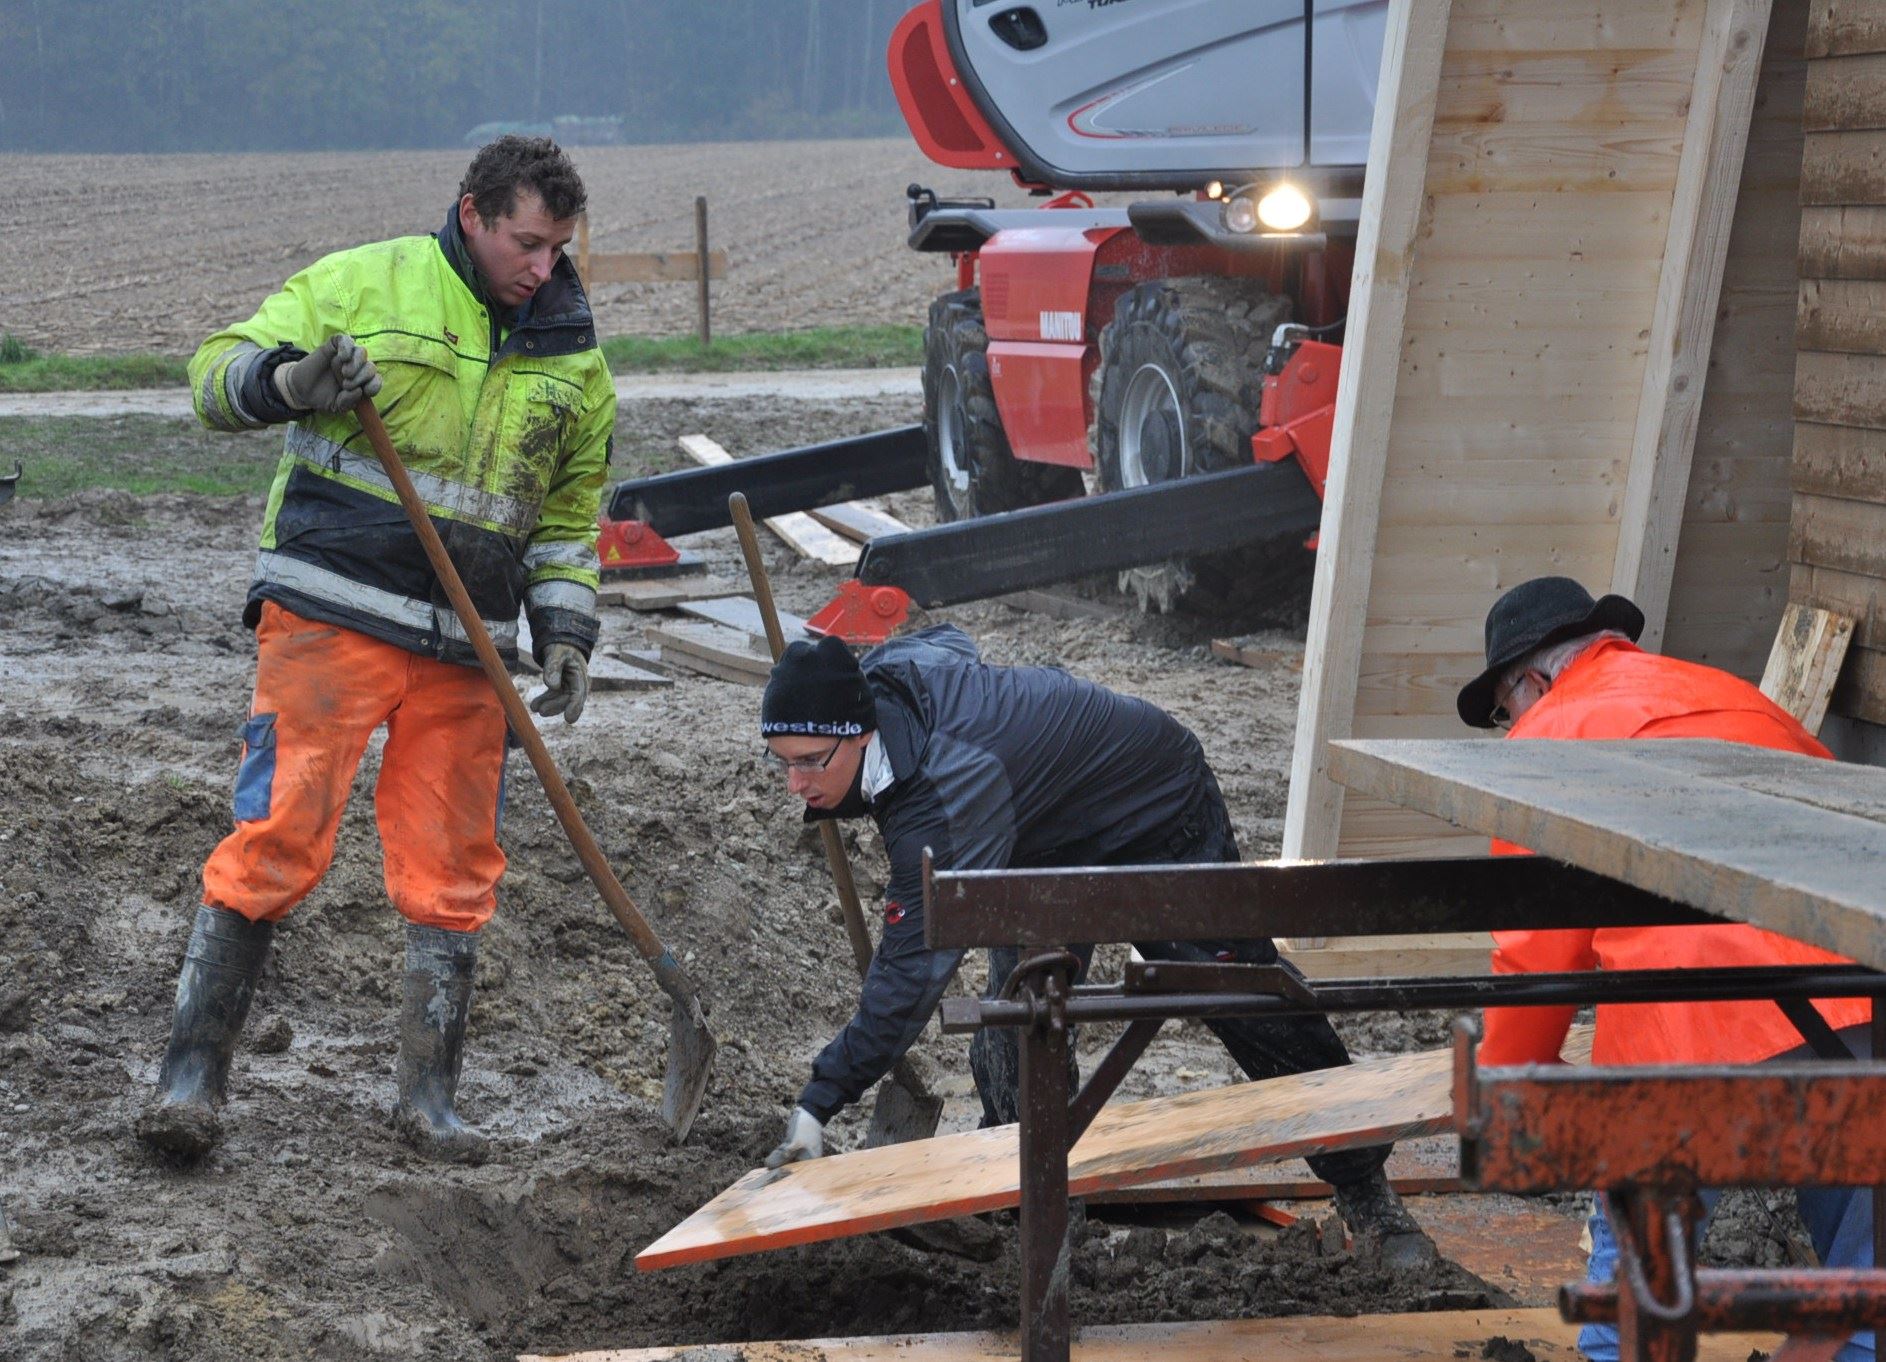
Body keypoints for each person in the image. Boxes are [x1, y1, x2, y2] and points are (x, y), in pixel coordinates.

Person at [136, 135, 616, 1164]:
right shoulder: (365, 284)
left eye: (558, 248)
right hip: (332, 616)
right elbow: (212, 379)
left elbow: (569, 518)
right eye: (527, 243)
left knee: (455, 869)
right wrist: (293, 380)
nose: (544, 268)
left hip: (468, 647)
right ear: (473, 213)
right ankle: (190, 1081)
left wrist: (567, 629)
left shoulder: (574, 356)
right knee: (277, 834)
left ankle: (427, 1104)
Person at [757, 625, 1437, 1267]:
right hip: (1039, 827)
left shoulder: (945, 799)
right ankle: (1041, 1201)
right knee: (1022, 1015)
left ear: (862, 732)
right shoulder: (887, 677)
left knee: (1238, 991)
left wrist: (820, 1100)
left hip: (1154, 804)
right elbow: (947, 641)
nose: (796, 784)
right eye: (782, 762)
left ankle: (1366, 1192)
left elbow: (909, 977)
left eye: (811, 762)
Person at [1458, 576, 1874, 1362]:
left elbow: (1535, 947)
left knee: (1637, 1293)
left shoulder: (1549, 738)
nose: (1512, 728)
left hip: (1687, 1035)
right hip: (1853, 1006)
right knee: (1867, 1275)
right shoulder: (1736, 699)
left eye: (1506, 711)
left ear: (1536, 683)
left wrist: (1508, 1085)